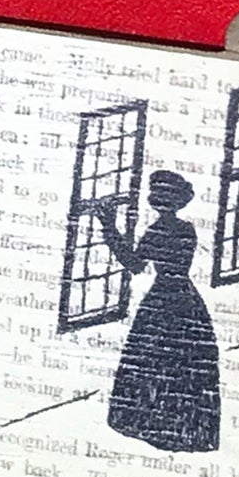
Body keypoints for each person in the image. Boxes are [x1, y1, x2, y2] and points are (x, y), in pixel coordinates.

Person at [93, 170, 221, 452]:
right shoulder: (187, 229)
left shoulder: (158, 231)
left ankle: (151, 423)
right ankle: (185, 427)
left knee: (156, 359)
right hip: (186, 298)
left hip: (163, 299)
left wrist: (108, 226)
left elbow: (134, 263)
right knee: (181, 362)